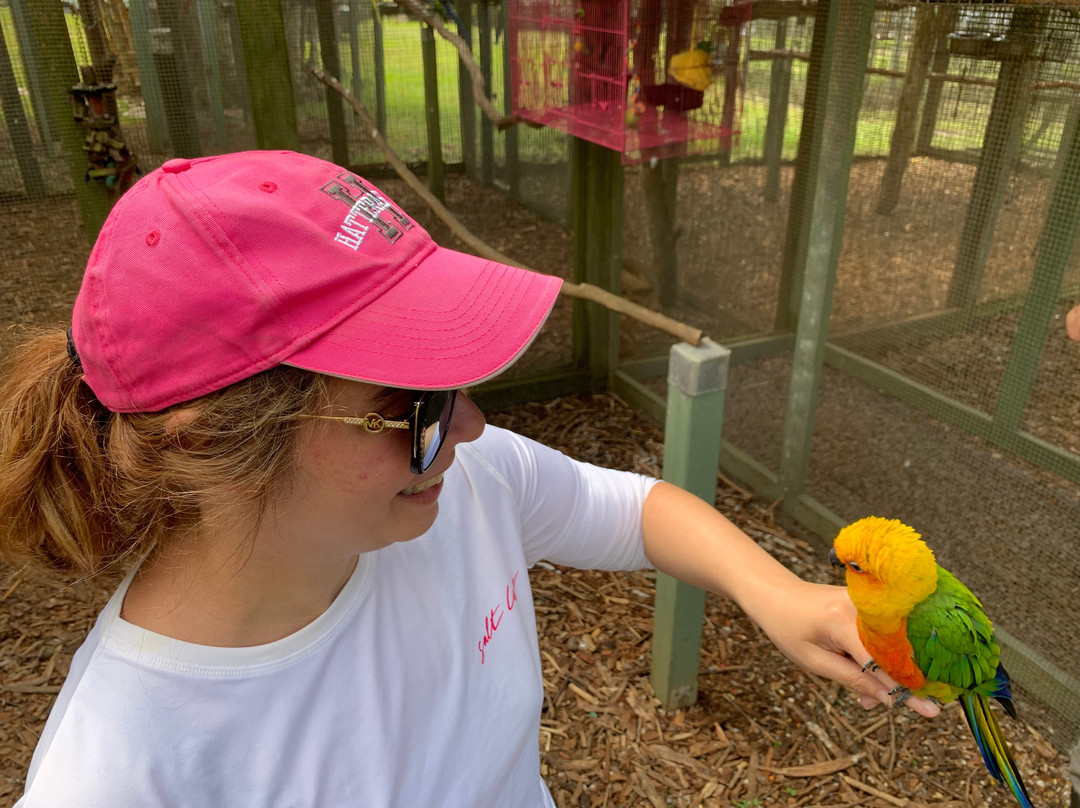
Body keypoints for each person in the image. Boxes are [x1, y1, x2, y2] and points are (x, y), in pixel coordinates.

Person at [1, 150, 937, 807]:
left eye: (456, 382)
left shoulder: (457, 490)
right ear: (225, 445)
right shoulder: (124, 773)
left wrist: (777, 594)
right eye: (414, 400)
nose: (474, 425)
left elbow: (628, 506)